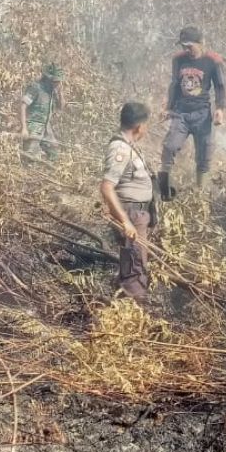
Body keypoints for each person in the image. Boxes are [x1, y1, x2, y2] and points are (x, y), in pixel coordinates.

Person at [158, 26, 226, 198]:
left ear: (200, 43)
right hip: (181, 113)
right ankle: (164, 192)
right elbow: (174, 84)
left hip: (202, 113)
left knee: (204, 154)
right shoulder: (178, 60)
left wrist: (219, 109)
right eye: (183, 46)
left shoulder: (213, 60)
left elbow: (220, 86)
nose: (186, 50)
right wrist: (168, 108)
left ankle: (200, 195)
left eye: (189, 46)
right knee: (169, 146)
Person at [101, 102, 154, 303]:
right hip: (131, 214)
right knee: (134, 268)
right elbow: (106, 186)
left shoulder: (130, 146)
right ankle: (136, 315)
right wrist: (125, 221)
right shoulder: (120, 149)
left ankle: (126, 307)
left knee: (136, 263)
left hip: (137, 215)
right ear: (139, 127)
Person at [19, 64, 66, 162]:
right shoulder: (36, 87)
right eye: (55, 81)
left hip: (46, 127)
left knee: (54, 152)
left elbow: (61, 107)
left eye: (59, 81)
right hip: (33, 126)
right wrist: (24, 128)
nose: (57, 83)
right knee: (30, 157)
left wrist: (60, 92)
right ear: (49, 79)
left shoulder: (52, 91)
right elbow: (23, 106)